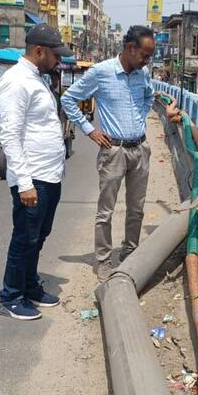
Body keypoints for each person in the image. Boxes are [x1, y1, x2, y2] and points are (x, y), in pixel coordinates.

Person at [61, 25, 156, 281]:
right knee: (106, 211)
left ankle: (130, 252)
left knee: (136, 209)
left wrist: (140, 116)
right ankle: (103, 260)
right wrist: (90, 130)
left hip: (140, 149)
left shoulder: (142, 73)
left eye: (150, 56)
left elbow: (150, 96)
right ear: (130, 48)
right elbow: (68, 99)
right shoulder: (101, 72)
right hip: (113, 151)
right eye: (144, 55)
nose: (147, 61)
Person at [0, 24, 74, 321]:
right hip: (33, 177)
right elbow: (11, 136)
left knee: (39, 236)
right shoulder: (16, 82)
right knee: (24, 237)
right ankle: (10, 296)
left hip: (50, 175)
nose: (58, 60)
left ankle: (29, 286)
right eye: (55, 55)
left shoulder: (38, 79)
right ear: (39, 51)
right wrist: (25, 183)